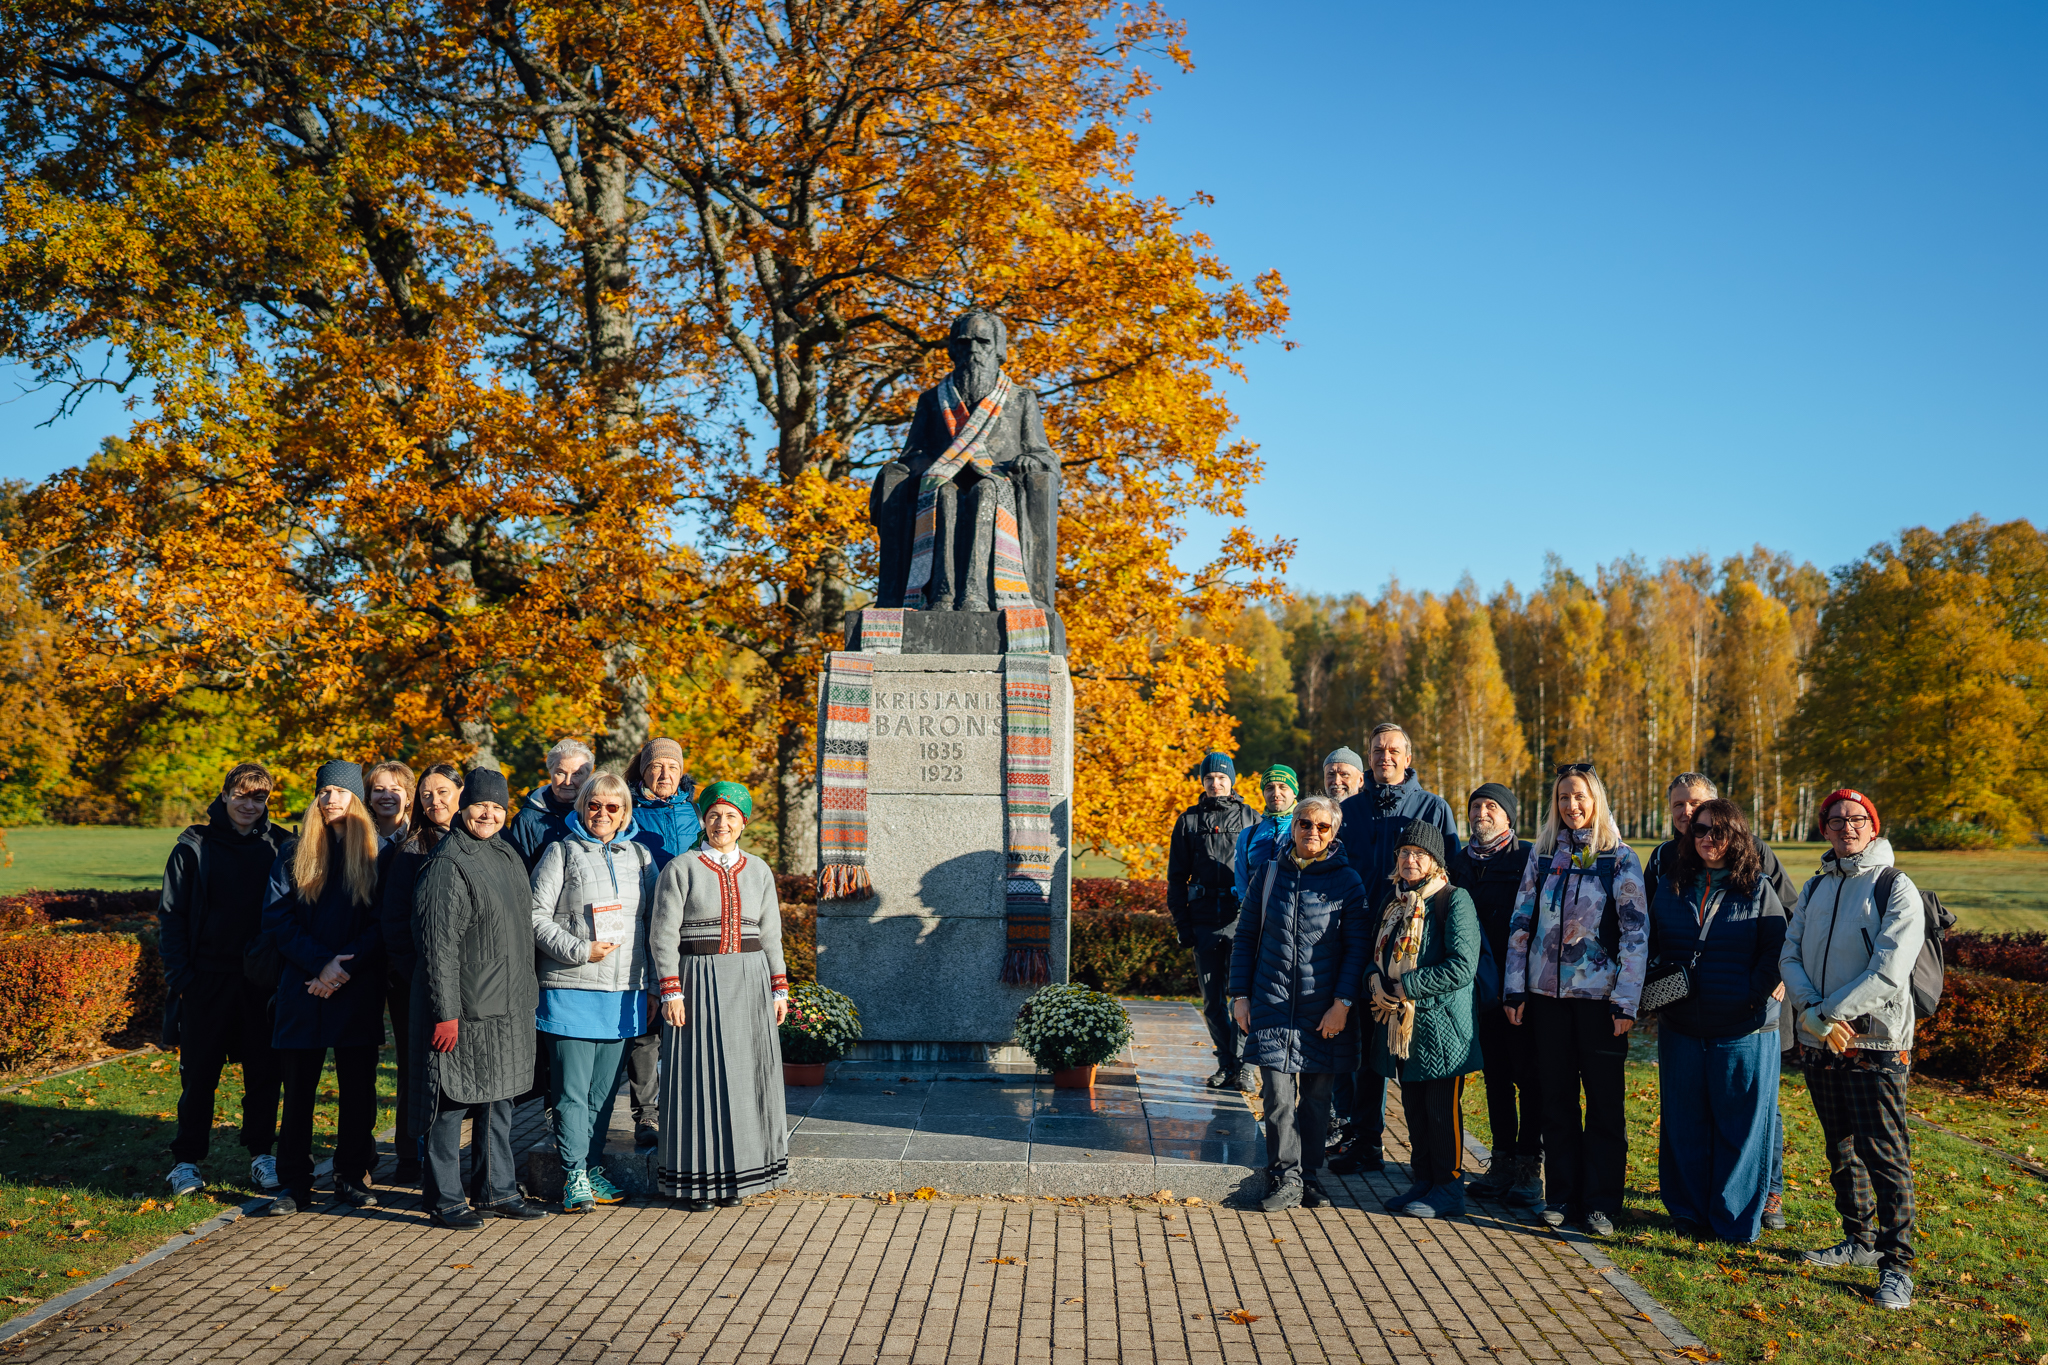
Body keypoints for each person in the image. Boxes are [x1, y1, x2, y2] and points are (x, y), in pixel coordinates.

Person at [1780, 788, 1924, 1312]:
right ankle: (1859, 1241)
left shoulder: (1894, 885)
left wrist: (1827, 1013)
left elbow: (1889, 969)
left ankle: (1897, 1266)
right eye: (1836, 819)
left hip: (1874, 1042)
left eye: (1857, 818)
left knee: (1884, 1154)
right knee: (1839, 1148)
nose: (1847, 826)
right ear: (1824, 829)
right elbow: (1790, 955)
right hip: (1820, 1039)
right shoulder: (1816, 886)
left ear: (1873, 825)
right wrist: (1814, 1014)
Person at [1646, 771, 1798, 1230]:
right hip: (1682, 1023)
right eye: (1698, 828)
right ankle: (1687, 1211)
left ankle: (1736, 1216)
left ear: (1736, 835)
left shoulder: (1758, 885)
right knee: (1684, 1121)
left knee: (1742, 1125)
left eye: (1717, 830)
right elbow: (1647, 940)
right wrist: (1654, 992)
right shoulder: (1670, 879)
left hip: (1742, 1025)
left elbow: (1779, 945)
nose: (1706, 837)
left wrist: (1752, 997)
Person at [1502, 763, 1648, 1238]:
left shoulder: (1618, 858)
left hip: (1601, 1002)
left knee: (1604, 1105)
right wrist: (1515, 988)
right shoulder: (1544, 855)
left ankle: (1600, 1203)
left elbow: (1635, 933)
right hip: (1547, 998)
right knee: (1557, 1100)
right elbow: (1521, 924)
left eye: (1580, 796)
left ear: (1596, 800)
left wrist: (1626, 1002)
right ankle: (1561, 1196)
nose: (1571, 805)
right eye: (1564, 797)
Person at [414, 767, 548, 1228]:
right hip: (464, 1009)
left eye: (497, 807)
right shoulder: (448, 864)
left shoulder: (506, 853)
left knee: (499, 1099)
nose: (489, 814)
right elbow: (437, 947)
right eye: (480, 805)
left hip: (507, 1005)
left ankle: (496, 1190)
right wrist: (445, 1013)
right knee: (450, 1104)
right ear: (464, 807)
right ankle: (445, 1198)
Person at [649, 782, 790, 1209]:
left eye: (730, 816)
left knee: (746, 1078)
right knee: (700, 1078)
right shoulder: (682, 868)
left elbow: (771, 934)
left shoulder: (759, 870)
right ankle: (699, 1182)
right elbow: (663, 934)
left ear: (743, 823)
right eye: (713, 815)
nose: (721, 823)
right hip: (697, 981)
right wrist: (671, 990)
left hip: (750, 981)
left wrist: (779, 987)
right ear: (704, 820)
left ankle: (740, 1179)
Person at [1330, 723, 1461, 1174]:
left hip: (1413, 951)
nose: (1384, 756)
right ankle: (1366, 1142)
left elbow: (1449, 878)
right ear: (1368, 757)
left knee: (1410, 1051)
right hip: (1359, 943)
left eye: (1392, 750)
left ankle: (1431, 1158)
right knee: (1364, 1049)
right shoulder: (1349, 811)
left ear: (1407, 757)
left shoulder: (1432, 808)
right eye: (1376, 750)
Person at [159, 763, 293, 1201]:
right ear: (224, 795)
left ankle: (262, 1154)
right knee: (199, 1076)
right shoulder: (194, 847)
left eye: (259, 797)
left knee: (264, 1075)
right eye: (241, 795)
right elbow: (172, 916)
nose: (249, 805)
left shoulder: (281, 845)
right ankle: (186, 1161)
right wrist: (183, 978)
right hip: (206, 980)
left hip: (261, 982)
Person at [1228, 796, 1366, 1212]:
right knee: (1277, 1099)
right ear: (1293, 826)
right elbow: (1245, 937)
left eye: (1323, 826)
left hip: (1322, 1011)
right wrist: (1239, 996)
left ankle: (1309, 1176)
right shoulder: (1269, 874)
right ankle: (1285, 1177)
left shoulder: (1347, 881)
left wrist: (1342, 1004)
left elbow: (1356, 950)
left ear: (1334, 832)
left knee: (1317, 1102)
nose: (1313, 832)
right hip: (1271, 1004)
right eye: (1305, 823)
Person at [260, 761, 386, 1216]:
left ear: (357, 800)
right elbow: (277, 919)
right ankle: (294, 1183)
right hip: (304, 986)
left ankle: (350, 1175)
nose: (331, 799)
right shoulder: (293, 853)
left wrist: (340, 968)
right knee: (297, 1092)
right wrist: (320, 965)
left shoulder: (376, 855)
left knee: (358, 1090)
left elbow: (382, 923)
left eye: (341, 792)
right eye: (325, 792)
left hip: (355, 985)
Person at [530, 771, 658, 1212]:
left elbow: (654, 926)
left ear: (624, 814)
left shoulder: (640, 857)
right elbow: (534, 916)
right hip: (571, 989)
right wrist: (580, 950)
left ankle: (592, 1165)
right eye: (594, 805)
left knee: (603, 1095)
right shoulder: (561, 852)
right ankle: (573, 1174)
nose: (602, 813)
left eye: (612, 806)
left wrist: (652, 986)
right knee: (571, 1092)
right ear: (582, 808)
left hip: (623, 994)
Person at [1364, 821, 1483, 1219]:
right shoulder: (1394, 902)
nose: (1410, 860)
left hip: (1442, 1028)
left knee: (1441, 1111)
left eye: (1419, 854)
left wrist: (1407, 986)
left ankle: (1449, 1189)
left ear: (1434, 861)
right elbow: (1375, 955)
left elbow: (1462, 966)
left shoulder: (1454, 900)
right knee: (1415, 1109)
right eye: (1404, 853)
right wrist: (1373, 981)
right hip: (1402, 1027)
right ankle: (1424, 1181)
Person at [1451, 781, 1542, 1211]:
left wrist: (1521, 987)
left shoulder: (1527, 859)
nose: (1481, 813)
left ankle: (1529, 1167)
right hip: (1478, 991)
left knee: (1529, 1077)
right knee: (1496, 1079)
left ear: (1508, 816)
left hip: (1519, 989)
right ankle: (1502, 1161)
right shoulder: (1458, 863)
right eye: (1476, 806)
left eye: (1491, 806)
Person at [377, 761, 463, 1186]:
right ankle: (410, 1156)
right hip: (416, 982)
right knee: (417, 1070)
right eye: (427, 795)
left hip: (469, 985)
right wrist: (423, 976)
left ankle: (451, 1158)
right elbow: (394, 923)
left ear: (460, 794)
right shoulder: (412, 850)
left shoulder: (477, 841)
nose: (435, 801)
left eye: (443, 792)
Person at [621, 737, 702, 1148]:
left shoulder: (697, 811)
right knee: (648, 1027)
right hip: (646, 925)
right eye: (656, 766)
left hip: (693, 931)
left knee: (688, 1021)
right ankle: (647, 1115)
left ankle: (686, 1109)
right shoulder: (628, 810)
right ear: (644, 770)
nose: (665, 773)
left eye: (672, 766)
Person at [1166, 751, 1259, 1090]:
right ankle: (1226, 1063)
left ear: (1231, 780)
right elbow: (1176, 878)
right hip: (1203, 920)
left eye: (1221, 778)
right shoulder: (1188, 821)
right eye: (1209, 778)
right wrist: (1182, 924)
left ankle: (1245, 1065)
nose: (1215, 783)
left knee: (1242, 997)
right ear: (1202, 782)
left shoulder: (1250, 818)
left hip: (1241, 921)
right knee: (1212, 1001)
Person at [507, 739, 595, 870]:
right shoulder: (527, 819)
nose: (568, 782)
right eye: (561, 773)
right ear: (550, 772)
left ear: (588, 776)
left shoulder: (599, 814)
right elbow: (518, 871)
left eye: (576, 774)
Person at [1231, 764, 1299, 911]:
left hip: (1296, 914)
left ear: (1294, 792)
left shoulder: (1306, 829)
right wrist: (1247, 911)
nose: (1276, 793)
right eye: (1269, 788)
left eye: (1283, 787)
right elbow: (1241, 882)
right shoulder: (1248, 835)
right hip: (1257, 916)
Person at [365, 761, 415, 848]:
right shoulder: (356, 837)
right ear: (369, 797)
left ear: (408, 797)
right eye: (379, 790)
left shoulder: (420, 838)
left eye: (395, 789)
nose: (386, 796)